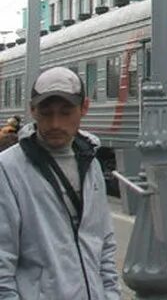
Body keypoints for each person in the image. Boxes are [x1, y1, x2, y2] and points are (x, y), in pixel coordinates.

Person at [0, 67, 121, 299]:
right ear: (32, 110)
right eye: (46, 113)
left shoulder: (91, 164)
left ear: (84, 108)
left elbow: (104, 242)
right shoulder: (8, 169)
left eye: (66, 112)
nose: (55, 123)